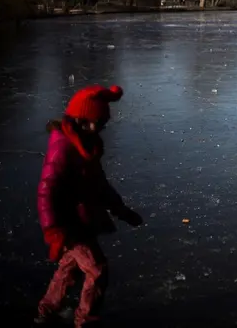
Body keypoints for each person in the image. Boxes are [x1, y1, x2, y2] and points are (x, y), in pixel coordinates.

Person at [35, 85, 143, 327]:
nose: (104, 126)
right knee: (97, 270)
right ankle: (85, 321)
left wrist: (122, 211)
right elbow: (46, 191)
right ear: (82, 120)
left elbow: (100, 185)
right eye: (100, 121)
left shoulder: (88, 145)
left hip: (83, 219)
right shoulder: (63, 147)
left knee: (69, 267)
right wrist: (53, 230)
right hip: (69, 224)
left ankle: (47, 310)